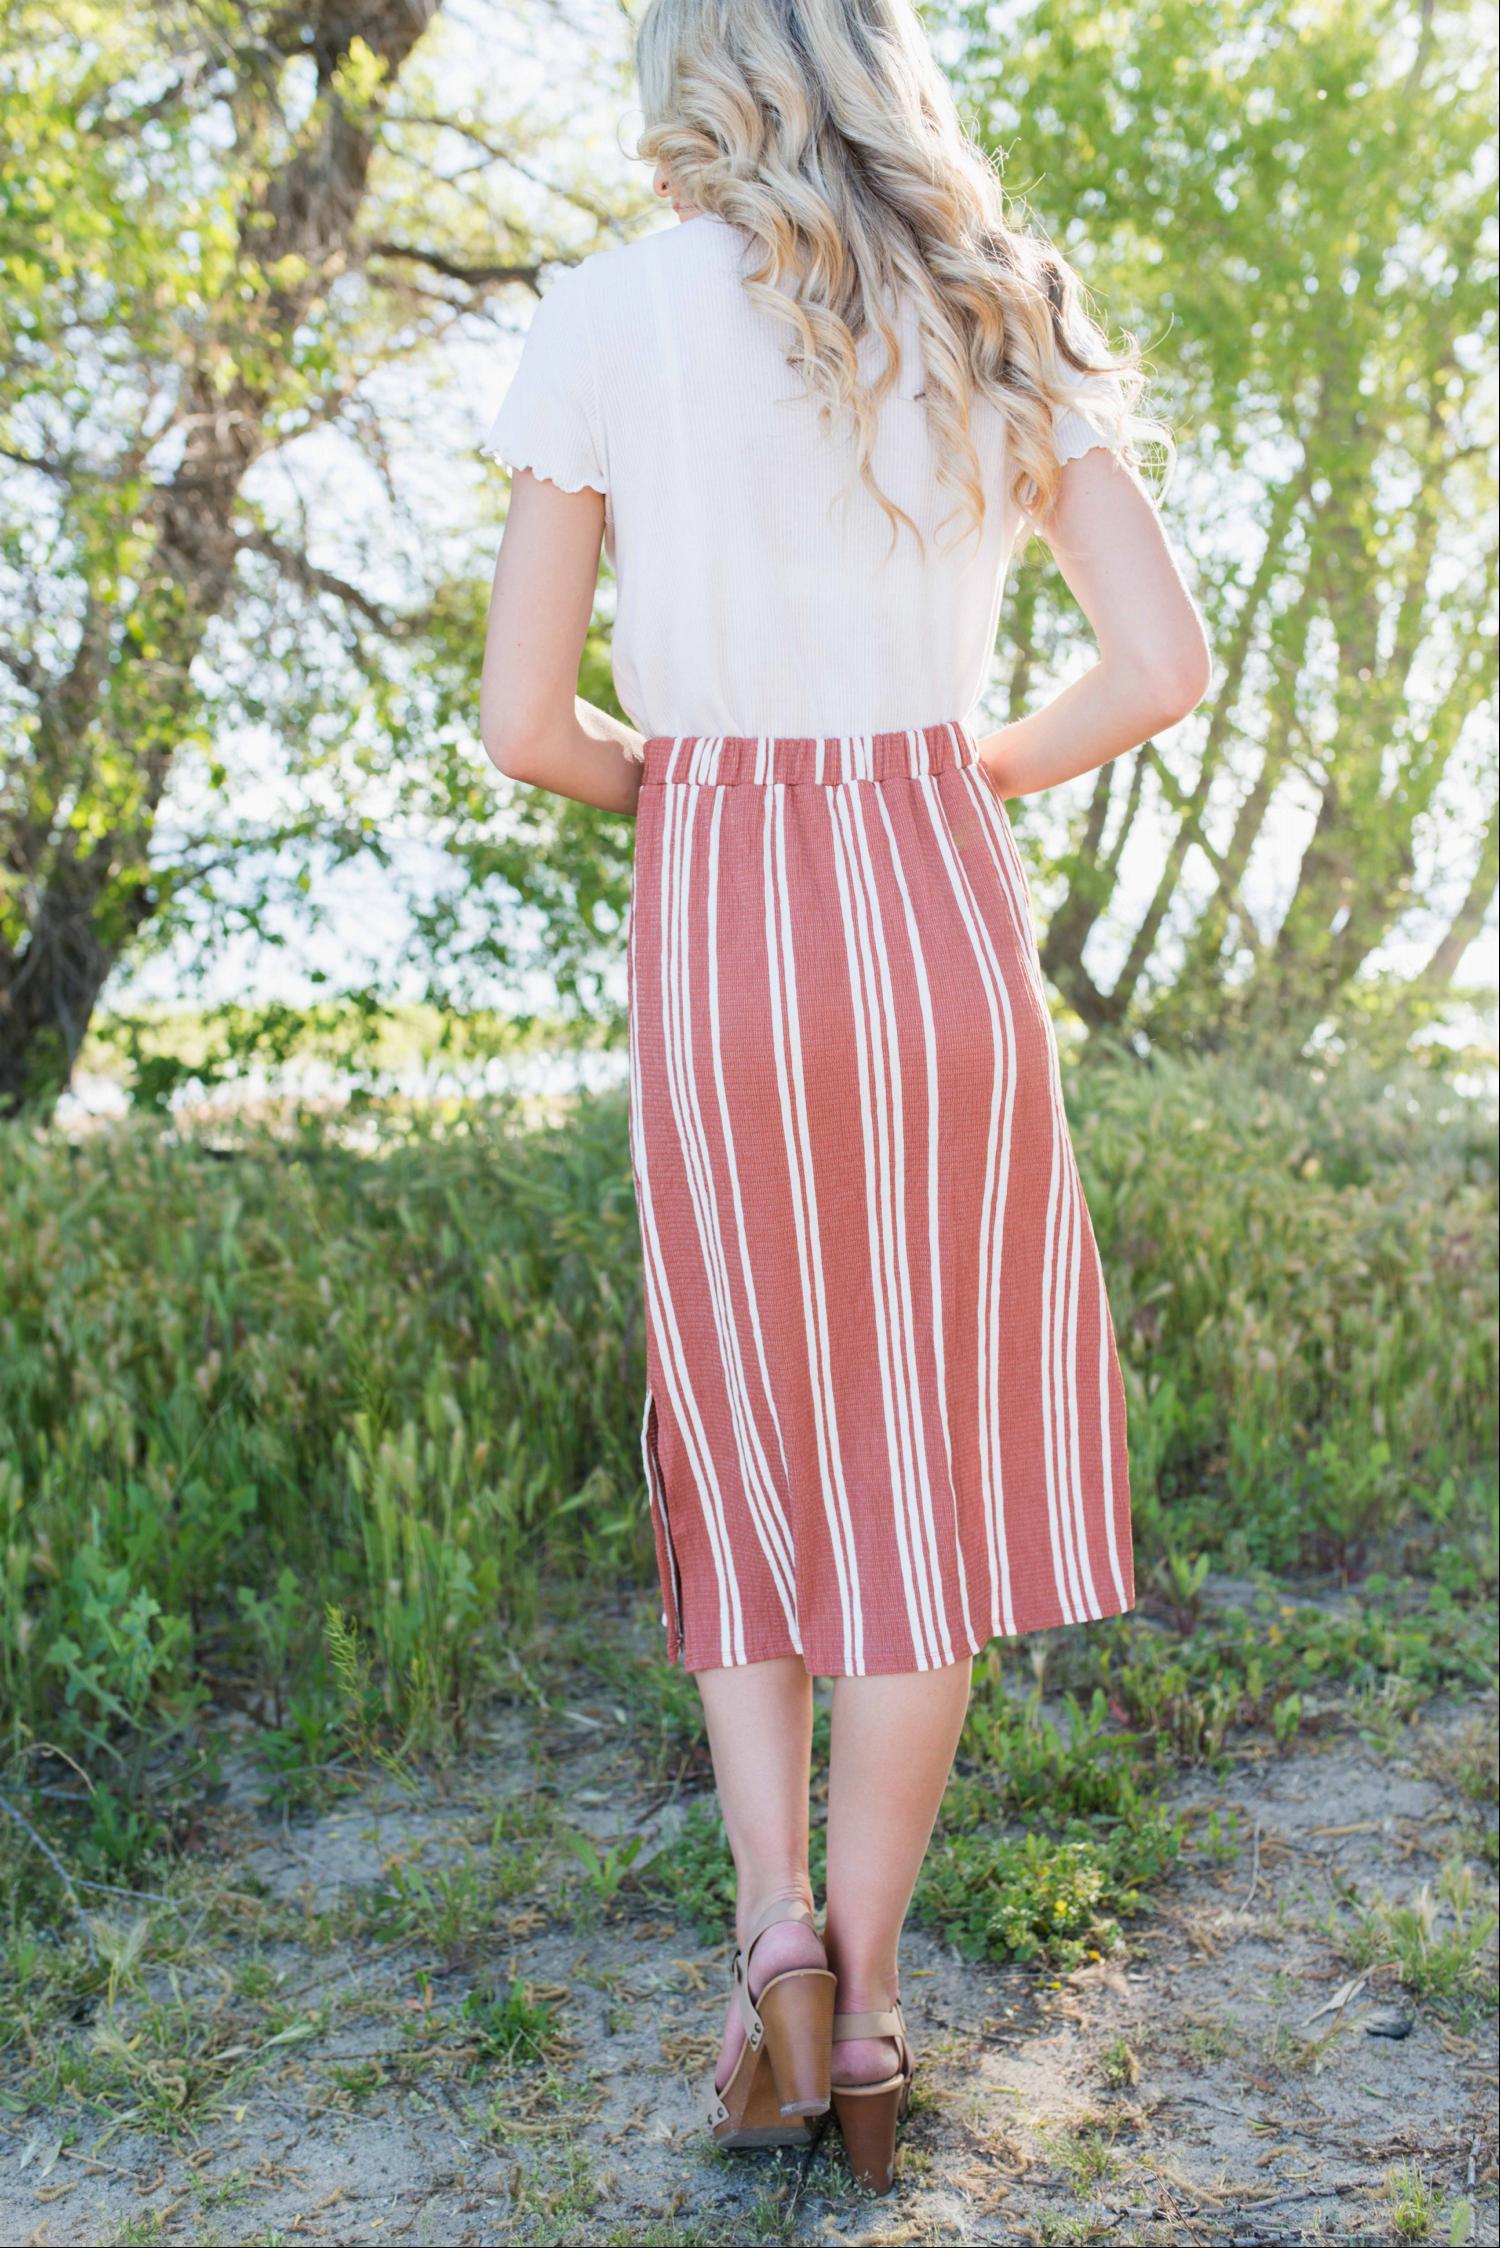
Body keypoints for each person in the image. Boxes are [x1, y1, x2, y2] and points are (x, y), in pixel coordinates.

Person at [480, 0, 1210, 2195]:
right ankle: (870, 2017)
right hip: (937, 904)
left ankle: (768, 1943)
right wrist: (957, 769)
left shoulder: (605, 318)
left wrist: (692, 797)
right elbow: (1159, 667)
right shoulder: (999, 298)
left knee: (750, 1427)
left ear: (684, 68)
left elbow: (525, 721)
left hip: (718, 913)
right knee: (915, 1475)